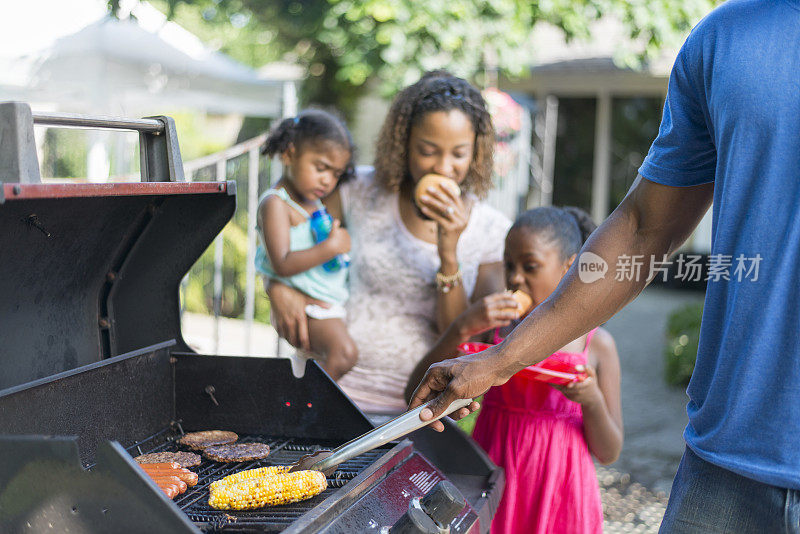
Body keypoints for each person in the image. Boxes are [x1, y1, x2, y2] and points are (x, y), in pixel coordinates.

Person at [411, 1, 800, 531]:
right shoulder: (726, 40)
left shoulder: (603, 352)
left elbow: (608, 444)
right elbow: (643, 228)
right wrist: (497, 361)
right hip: (728, 468)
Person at [267, 71, 511, 414]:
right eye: (428, 151)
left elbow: (460, 334)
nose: (443, 167)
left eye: (458, 154)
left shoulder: (492, 231)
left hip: (420, 410)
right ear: (404, 143)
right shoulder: (358, 190)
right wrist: (277, 284)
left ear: (477, 153)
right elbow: (286, 216)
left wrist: (448, 253)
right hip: (330, 391)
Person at [407, 207, 621, 533]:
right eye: (509, 265)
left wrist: (591, 401)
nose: (516, 277)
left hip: (561, 490)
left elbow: (609, 452)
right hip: (495, 477)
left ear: (570, 267)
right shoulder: (494, 335)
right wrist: (461, 327)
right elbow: (414, 391)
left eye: (530, 266)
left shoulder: (597, 344)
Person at [256, 109, 358, 380]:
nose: (328, 180)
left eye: (336, 173)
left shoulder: (315, 203)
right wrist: (331, 247)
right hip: (307, 309)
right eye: (321, 167)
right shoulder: (276, 203)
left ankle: (299, 404)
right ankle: (303, 409)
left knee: (312, 367)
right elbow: (282, 262)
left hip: (328, 306)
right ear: (289, 154)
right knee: (344, 354)